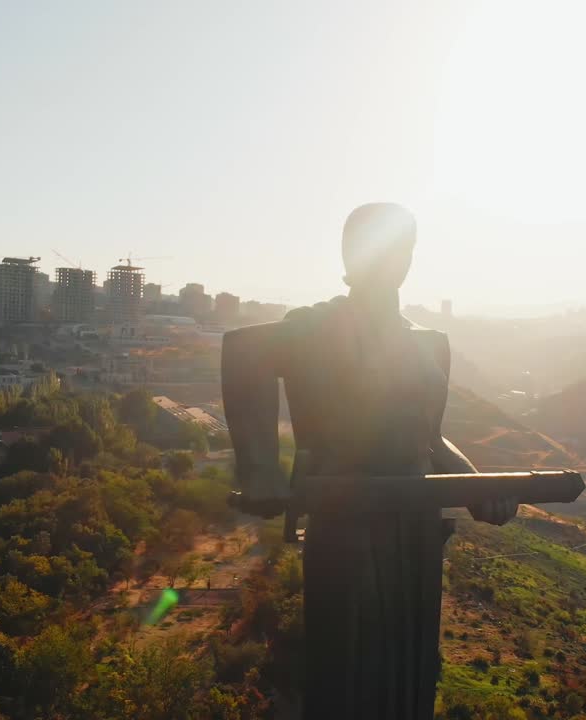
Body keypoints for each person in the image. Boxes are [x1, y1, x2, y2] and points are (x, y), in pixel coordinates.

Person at [222, 203, 517, 719]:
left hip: (417, 526)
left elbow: (433, 440)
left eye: (401, 248)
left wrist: (474, 487)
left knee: (412, 665)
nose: (390, 259)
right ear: (348, 254)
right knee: (347, 666)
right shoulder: (311, 328)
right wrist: (261, 467)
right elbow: (243, 354)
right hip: (345, 516)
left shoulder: (429, 343)